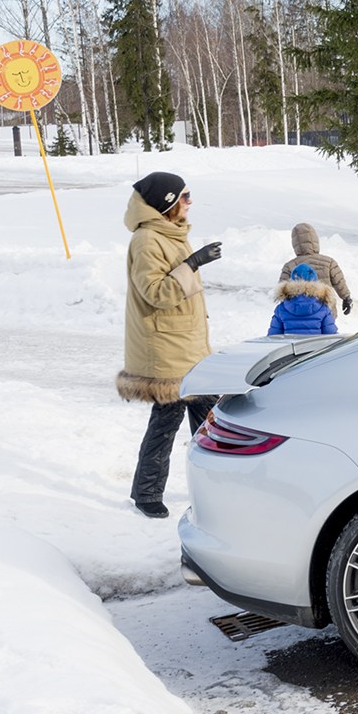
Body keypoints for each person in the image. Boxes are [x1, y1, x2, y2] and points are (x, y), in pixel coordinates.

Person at [116, 171, 222, 519]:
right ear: (168, 203)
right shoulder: (147, 240)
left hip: (185, 345)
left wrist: (191, 262)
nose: (190, 203)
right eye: (185, 196)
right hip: (166, 349)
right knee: (172, 420)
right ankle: (146, 494)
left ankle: (218, 492)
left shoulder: (170, 234)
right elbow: (157, 293)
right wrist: (193, 264)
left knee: (211, 422)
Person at [279, 222, 353, 315]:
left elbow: (282, 291)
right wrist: (346, 298)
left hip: (299, 314)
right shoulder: (329, 262)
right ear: (315, 241)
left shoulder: (289, 266)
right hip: (326, 312)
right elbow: (339, 282)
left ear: (295, 244)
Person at [268, 263, 339, 336]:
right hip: (317, 347)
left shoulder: (281, 309)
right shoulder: (323, 308)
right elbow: (331, 336)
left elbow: (273, 337)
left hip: (290, 347)